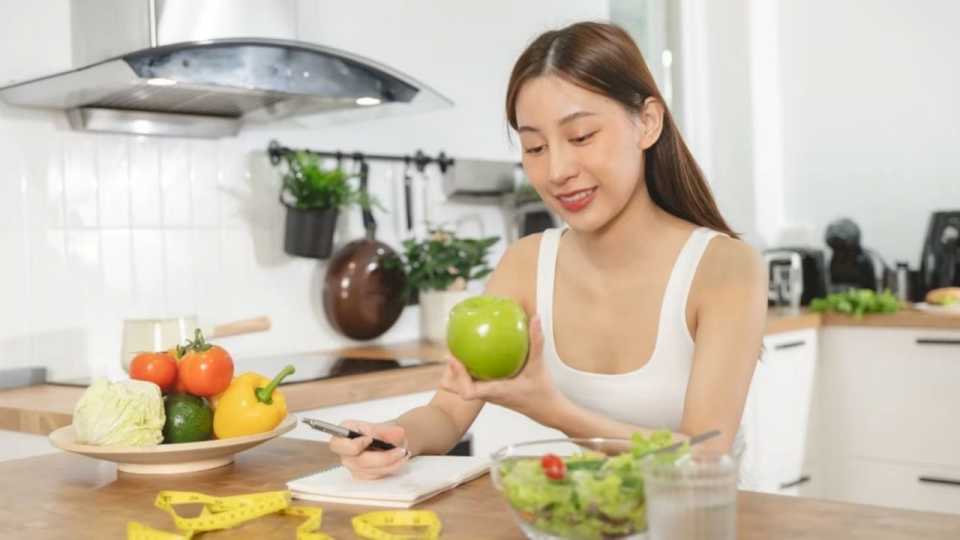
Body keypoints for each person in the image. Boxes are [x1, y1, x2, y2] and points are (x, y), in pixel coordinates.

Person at [330, 21, 767, 480]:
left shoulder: (723, 268)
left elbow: (703, 457)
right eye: (534, 146)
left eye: (580, 137)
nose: (557, 170)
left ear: (648, 122)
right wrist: (397, 436)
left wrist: (552, 410)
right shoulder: (525, 264)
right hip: (586, 519)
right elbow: (448, 412)